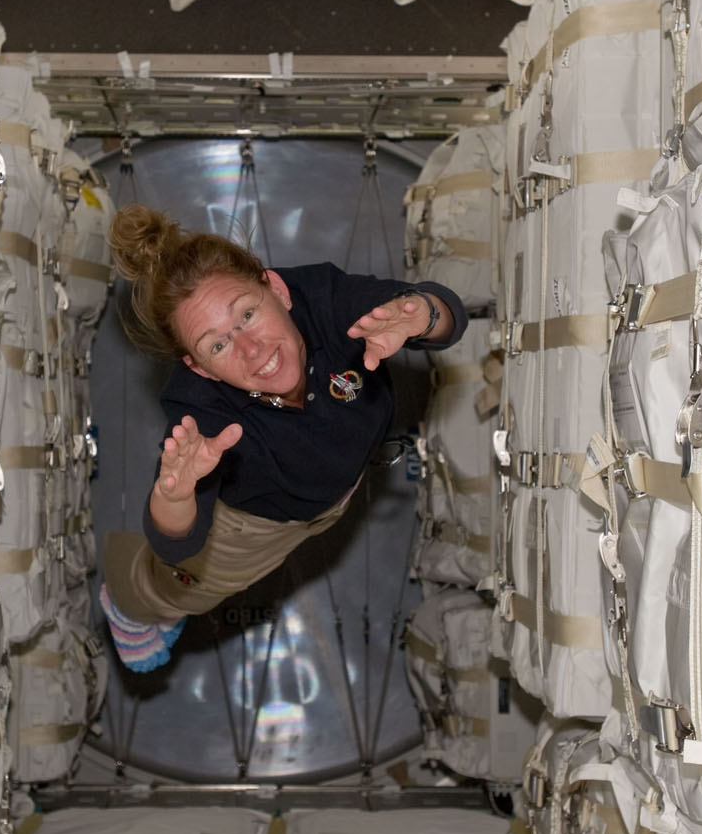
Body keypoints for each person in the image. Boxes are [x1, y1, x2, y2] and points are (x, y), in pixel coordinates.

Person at [98, 204, 468, 670]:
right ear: (197, 367)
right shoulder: (199, 409)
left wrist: (425, 315)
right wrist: (174, 494)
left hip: (334, 487)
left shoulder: (323, 297)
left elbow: (439, 313)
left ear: (276, 289)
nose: (252, 351)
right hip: (254, 522)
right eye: (217, 345)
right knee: (181, 593)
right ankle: (127, 603)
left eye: (247, 314)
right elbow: (177, 541)